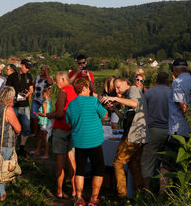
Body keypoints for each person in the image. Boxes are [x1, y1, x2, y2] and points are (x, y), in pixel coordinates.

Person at [159, 58, 191, 193]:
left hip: (178, 131)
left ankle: (161, 196)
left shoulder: (178, 83)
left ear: (174, 70)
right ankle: (184, 194)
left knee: (166, 165)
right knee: (186, 166)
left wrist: (189, 121)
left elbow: (183, 107)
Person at [100, 77, 147, 199]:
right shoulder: (128, 96)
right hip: (138, 135)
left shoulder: (133, 90)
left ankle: (122, 195)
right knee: (134, 164)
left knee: (117, 163)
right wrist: (114, 109)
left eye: (118, 86)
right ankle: (139, 195)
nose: (116, 90)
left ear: (126, 83)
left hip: (133, 135)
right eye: (115, 88)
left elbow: (136, 104)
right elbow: (124, 118)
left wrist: (115, 98)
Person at [66, 78, 107, 206]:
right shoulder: (93, 101)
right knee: (99, 169)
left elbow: (69, 124)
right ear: (84, 89)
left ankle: (79, 198)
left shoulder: (71, 104)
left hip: (79, 142)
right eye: (89, 87)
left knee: (80, 170)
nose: (90, 90)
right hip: (94, 141)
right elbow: (105, 115)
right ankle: (93, 199)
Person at [47, 71, 77, 199]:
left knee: (60, 159)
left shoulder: (62, 92)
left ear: (64, 79)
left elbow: (59, 114)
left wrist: (49, 115)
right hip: (73, 128)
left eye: (57, 80)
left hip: (61, 128)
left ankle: (59, 190)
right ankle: (75, 190)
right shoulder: (76, 91)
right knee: (71, 158)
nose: (56, 83)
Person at [141, 71, 171, 189]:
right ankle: (162, 191)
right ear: (168, 82)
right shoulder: (171, 93)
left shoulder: (150, 92)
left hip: (153, 130)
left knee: (147, 161)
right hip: (168, 130)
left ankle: (147, 190)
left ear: (156, 81)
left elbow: (143, 110)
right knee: (166, 162)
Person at [5, 59, 33, 157]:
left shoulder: (29, 76)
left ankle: (22, 148)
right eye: (27, 67)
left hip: (25, 105)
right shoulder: (12, 76)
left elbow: (31, 89)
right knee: (12, 127)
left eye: (29, 67)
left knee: (26, 127)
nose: (28, 69)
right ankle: (11, 147)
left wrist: (28, 94)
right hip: (14, 105)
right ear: (21, 65)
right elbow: (7, 89)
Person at [31, 65, 53, 135]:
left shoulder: (49, 78)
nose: (43, 72)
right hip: (36, 99)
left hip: (45, 101)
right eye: (42, 70)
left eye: (45, 70)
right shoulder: (37, 78)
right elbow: (33, 86)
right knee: (34, 116)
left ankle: (45, 132)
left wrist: (47, 74)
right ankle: (35, 132)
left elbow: (50, 83)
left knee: (44, 115)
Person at [32, 86, 52, 158]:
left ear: (45, 94)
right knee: (40, 136)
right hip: (44, 122)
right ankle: (38, 150)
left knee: (45, 138)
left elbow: (45, 114)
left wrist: (38, 113)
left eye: (43, 94)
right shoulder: (49, 102)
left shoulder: (44, 103)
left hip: (44, 122)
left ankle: (46, 153)